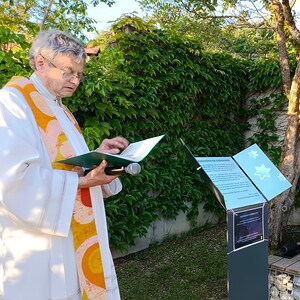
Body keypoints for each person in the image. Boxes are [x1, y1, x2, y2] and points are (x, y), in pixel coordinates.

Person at [0, 29, 129, 300]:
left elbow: (64, 165)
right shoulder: (12, 102)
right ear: (40, 62)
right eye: (68, 71)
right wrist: (82, 182)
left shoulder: (60, 108)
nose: (75, 80)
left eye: (80, 74)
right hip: (41, 247)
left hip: (71, 235)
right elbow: (11, 180)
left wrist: (98, 155)